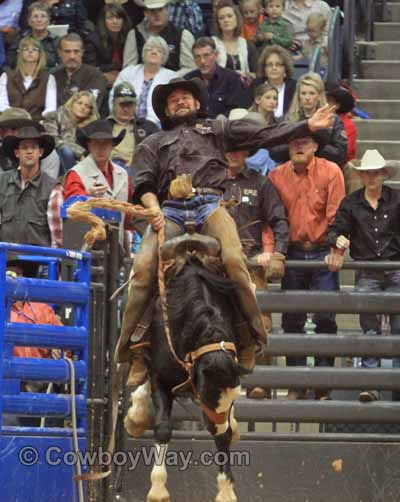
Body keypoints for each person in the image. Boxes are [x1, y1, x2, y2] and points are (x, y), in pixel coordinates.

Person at [114, 76, 336, 386]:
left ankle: (250, 337)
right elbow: (143, 183)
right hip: (170, 210)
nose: (180, 100)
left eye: (186, 96)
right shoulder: (152, 143)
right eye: (173, 98)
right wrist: (153, 207)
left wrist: (306, 126)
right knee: (142, 268)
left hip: (210, 205)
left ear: (198, 103)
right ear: (165, 108)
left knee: (234, 259)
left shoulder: (218, 129)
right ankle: (132, 350)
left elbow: (264, 134)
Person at [269, 133, 345, 400]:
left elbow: (337, 215)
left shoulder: (331, 171)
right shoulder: (276, 176)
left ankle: (323, 382)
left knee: (326, 317)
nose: (298, 145)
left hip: (323, 250)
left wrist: (337, 251)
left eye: (304, 142)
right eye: (294, 142)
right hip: (291, 252)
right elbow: (272, 218)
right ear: (288, 146)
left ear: (315, 146)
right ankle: (296, 382)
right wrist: (274, 252)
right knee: (292, 319)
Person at [325, 150, 400, 403]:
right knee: (370, 328)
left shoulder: (397, 200)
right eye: (367, 173)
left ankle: (391, 382)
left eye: (374, 173)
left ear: (383, 175)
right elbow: (334, 229)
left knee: (398, 327)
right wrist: (338, 238)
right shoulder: (351, 203)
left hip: (394, 268)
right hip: (368, 270)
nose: (371, 177)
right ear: (363, 175)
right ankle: (371, 384)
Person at [225, 107, 289, 399]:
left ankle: (260, 381)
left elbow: (279, 219)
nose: (234, 153)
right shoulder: (209, 180)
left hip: (251, 264)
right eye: (230, 147)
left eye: (240, 148)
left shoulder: (260, 183)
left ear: (247, 150)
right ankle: (220, 383)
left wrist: (277, 253)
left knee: (261, 321)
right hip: (214, 263)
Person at [0, 124, 63, 248]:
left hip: (38, 261)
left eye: (33, 147)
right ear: (17, 153)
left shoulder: (53, 188)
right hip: (4, 259)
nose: (29, 151)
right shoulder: (1, 182)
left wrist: (52, 263)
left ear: (40, 152)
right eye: (24, 147)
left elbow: (57, 236)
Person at [270, 72, 348, 165]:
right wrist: (295, 144)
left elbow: (341, 155)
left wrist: (313, 145)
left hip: (322, 172)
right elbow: (274, 152)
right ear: (298, 96)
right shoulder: (286, 120)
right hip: (292, 171)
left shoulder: (333, 120)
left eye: (312, 93)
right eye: (303, 93)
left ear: (319, 96)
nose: (307, 97)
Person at [110, 36, 175, 126]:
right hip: (126, 122)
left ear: (164, 58)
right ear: (143, 54)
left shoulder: (171, 77)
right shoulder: (128, 72)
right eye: (149, 49)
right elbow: (113, 98)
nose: (154, 52)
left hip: (159, 125)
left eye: (159, 51)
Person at [63, 118, 131, 202]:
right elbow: (70, 209)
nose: (100, 148)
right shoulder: (76, 173)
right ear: (88, 146)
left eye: (105, 143)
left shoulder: (123, 174)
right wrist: (87, 195)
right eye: (96, 143)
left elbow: (130, 210)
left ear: (112, 145)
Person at [122, 0, 196, 75]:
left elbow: (190, 68)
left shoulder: (183, 35)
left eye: (160, 9)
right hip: (140, 83)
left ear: (167, 10)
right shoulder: (134, 34)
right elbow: (128, 69)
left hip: (173, 83)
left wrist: (168, 78)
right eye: (152, 10)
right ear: (146, 13)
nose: (156, 14)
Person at [185, 36, 251, 117]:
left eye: (206, 55)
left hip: (224, 127)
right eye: (197, 57)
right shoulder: (188, 80)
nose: (202, 61)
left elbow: (236, 110)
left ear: (216, 55)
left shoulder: (232, 79)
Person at [0, 36, 57, 120]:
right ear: (20, 53)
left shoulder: (48, 78)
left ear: (40, 54)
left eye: (34, 49)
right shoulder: (6, 76)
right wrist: (17, 116)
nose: (30, 51)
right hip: (10, 122)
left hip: (36, 124)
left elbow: (50, 108)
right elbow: (2, 105)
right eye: (26, 49)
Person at [42, 90, 99, 173]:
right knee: (66, 151)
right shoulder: (54, 116)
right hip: (55, 155)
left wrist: (86, 157)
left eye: (87, 106)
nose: (83, 107)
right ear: (72, 103)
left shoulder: (92, 126)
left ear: (91, 111)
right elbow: (53, 139)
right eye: (79, 103)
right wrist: (81, 153)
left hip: (82, 161)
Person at [107, 82, 158, 171]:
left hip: (136, 167)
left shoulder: (148, 127)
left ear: (135, 106)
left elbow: (158, 151)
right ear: (114, 104)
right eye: (122, 104)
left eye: (129, 104)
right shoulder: (102, 126)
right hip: (108, 167)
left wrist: (138, 159)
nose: (126, 109)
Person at [53, 33, 108, 114]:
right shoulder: (54, 76)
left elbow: (88, 109)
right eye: (67, 51)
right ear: (59, 53)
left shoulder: (95, 75)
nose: (72, 56)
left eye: (76, 51)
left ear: (82, 52)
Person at [83, 3, 132, 89]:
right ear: (103, 21)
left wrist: (120, 75)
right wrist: (108, 73)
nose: (115, 21)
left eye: (118, 18)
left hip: (125, 78)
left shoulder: (130, 36)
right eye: (110, 18)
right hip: (101, 80)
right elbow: (91, 68)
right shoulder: (92, 40)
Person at [212, 0, 258, 81]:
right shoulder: (211, 44)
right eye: (221, 18)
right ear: (218, 23)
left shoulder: (248, 46)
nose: (226, 20)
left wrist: (246, 75)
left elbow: (256, 74)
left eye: (229, 16)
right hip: (219, 90)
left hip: (243, 89)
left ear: (237, 19)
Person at [7, 2, 59, 70]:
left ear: (48, 21)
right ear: (29, 21)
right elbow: (9, 63)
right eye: (35, 16)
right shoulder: (20, 40)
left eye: (43, 16)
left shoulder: (56, 41)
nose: (39, 20)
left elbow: (61, 65)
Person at [254, 44, 296, 117]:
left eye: (278, 64)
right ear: (264, 68)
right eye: (270, 64)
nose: (274, 68)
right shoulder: (256, 85)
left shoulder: (294, 87)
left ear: (285, 68)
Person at [246, 82, 278, 175]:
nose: (272, 101)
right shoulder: (246, 121)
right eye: (268, 97)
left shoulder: (278, 124)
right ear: (257, 100)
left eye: (275, 98)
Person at [19, 0, 88, 36]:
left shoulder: (74, 2)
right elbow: (24, 27)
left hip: (69, 41)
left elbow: (82, 27)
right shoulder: (30, 1)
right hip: (37, 41)